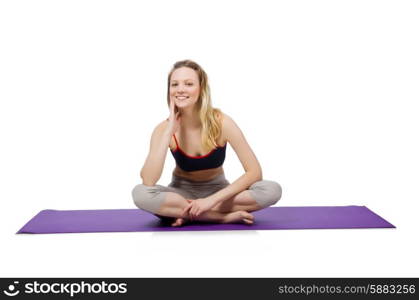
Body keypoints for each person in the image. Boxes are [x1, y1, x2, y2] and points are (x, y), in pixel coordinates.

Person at [132, 59, 282, 227]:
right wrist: (168, 132)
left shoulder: (222, 123)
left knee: (271, 190)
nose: (180, 89)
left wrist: (210, 201)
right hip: (180, 193)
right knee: (140, 194)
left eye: (188, 84)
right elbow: (148, 181)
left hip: (218, 192)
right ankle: (219, 217)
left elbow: (254, 172)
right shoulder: (163, 129)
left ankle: (185, 213)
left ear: (201, 89)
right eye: (174, 84)